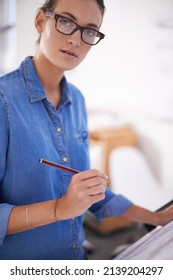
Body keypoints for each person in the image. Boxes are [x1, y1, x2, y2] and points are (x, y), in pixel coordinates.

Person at [0, 0, 173, 260]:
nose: (76, 40)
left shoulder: (77, 101)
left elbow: (90, 190)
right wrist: (59, 208)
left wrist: (156, 217)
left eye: (90, 30)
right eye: (66, 22)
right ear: (40, 21)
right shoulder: (4, 101)